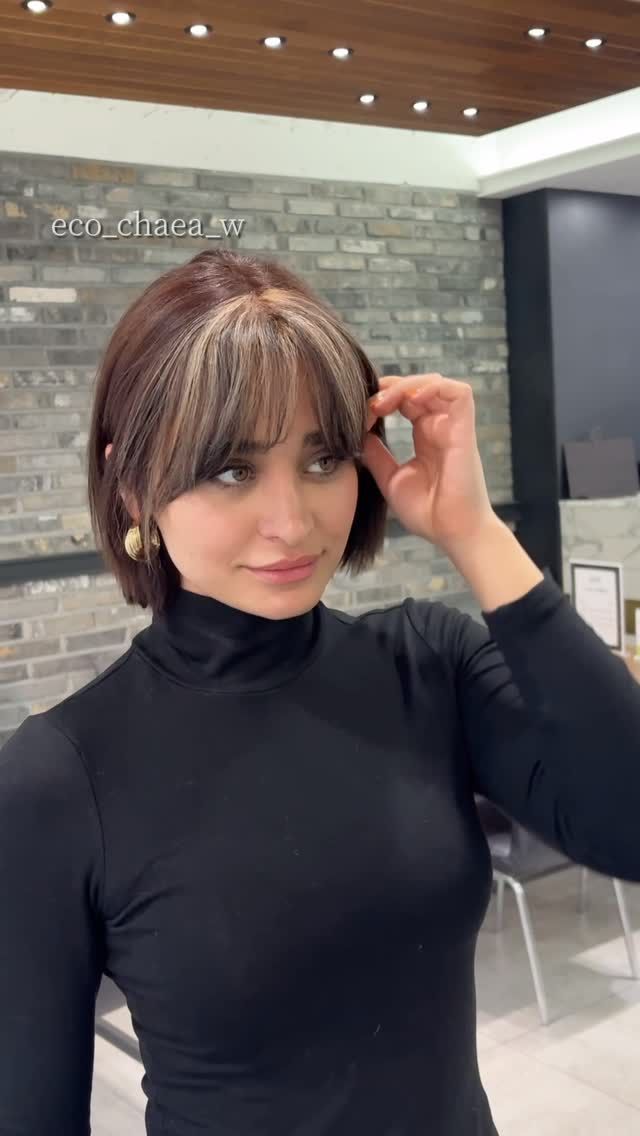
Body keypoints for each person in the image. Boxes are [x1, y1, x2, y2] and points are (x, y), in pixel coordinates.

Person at [1, 248, 639, 1136]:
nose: (293, 521)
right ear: (135, 482)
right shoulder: (59, 779)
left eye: (322, 458)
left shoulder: (428, 663)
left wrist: (475, 532)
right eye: (231, 469)